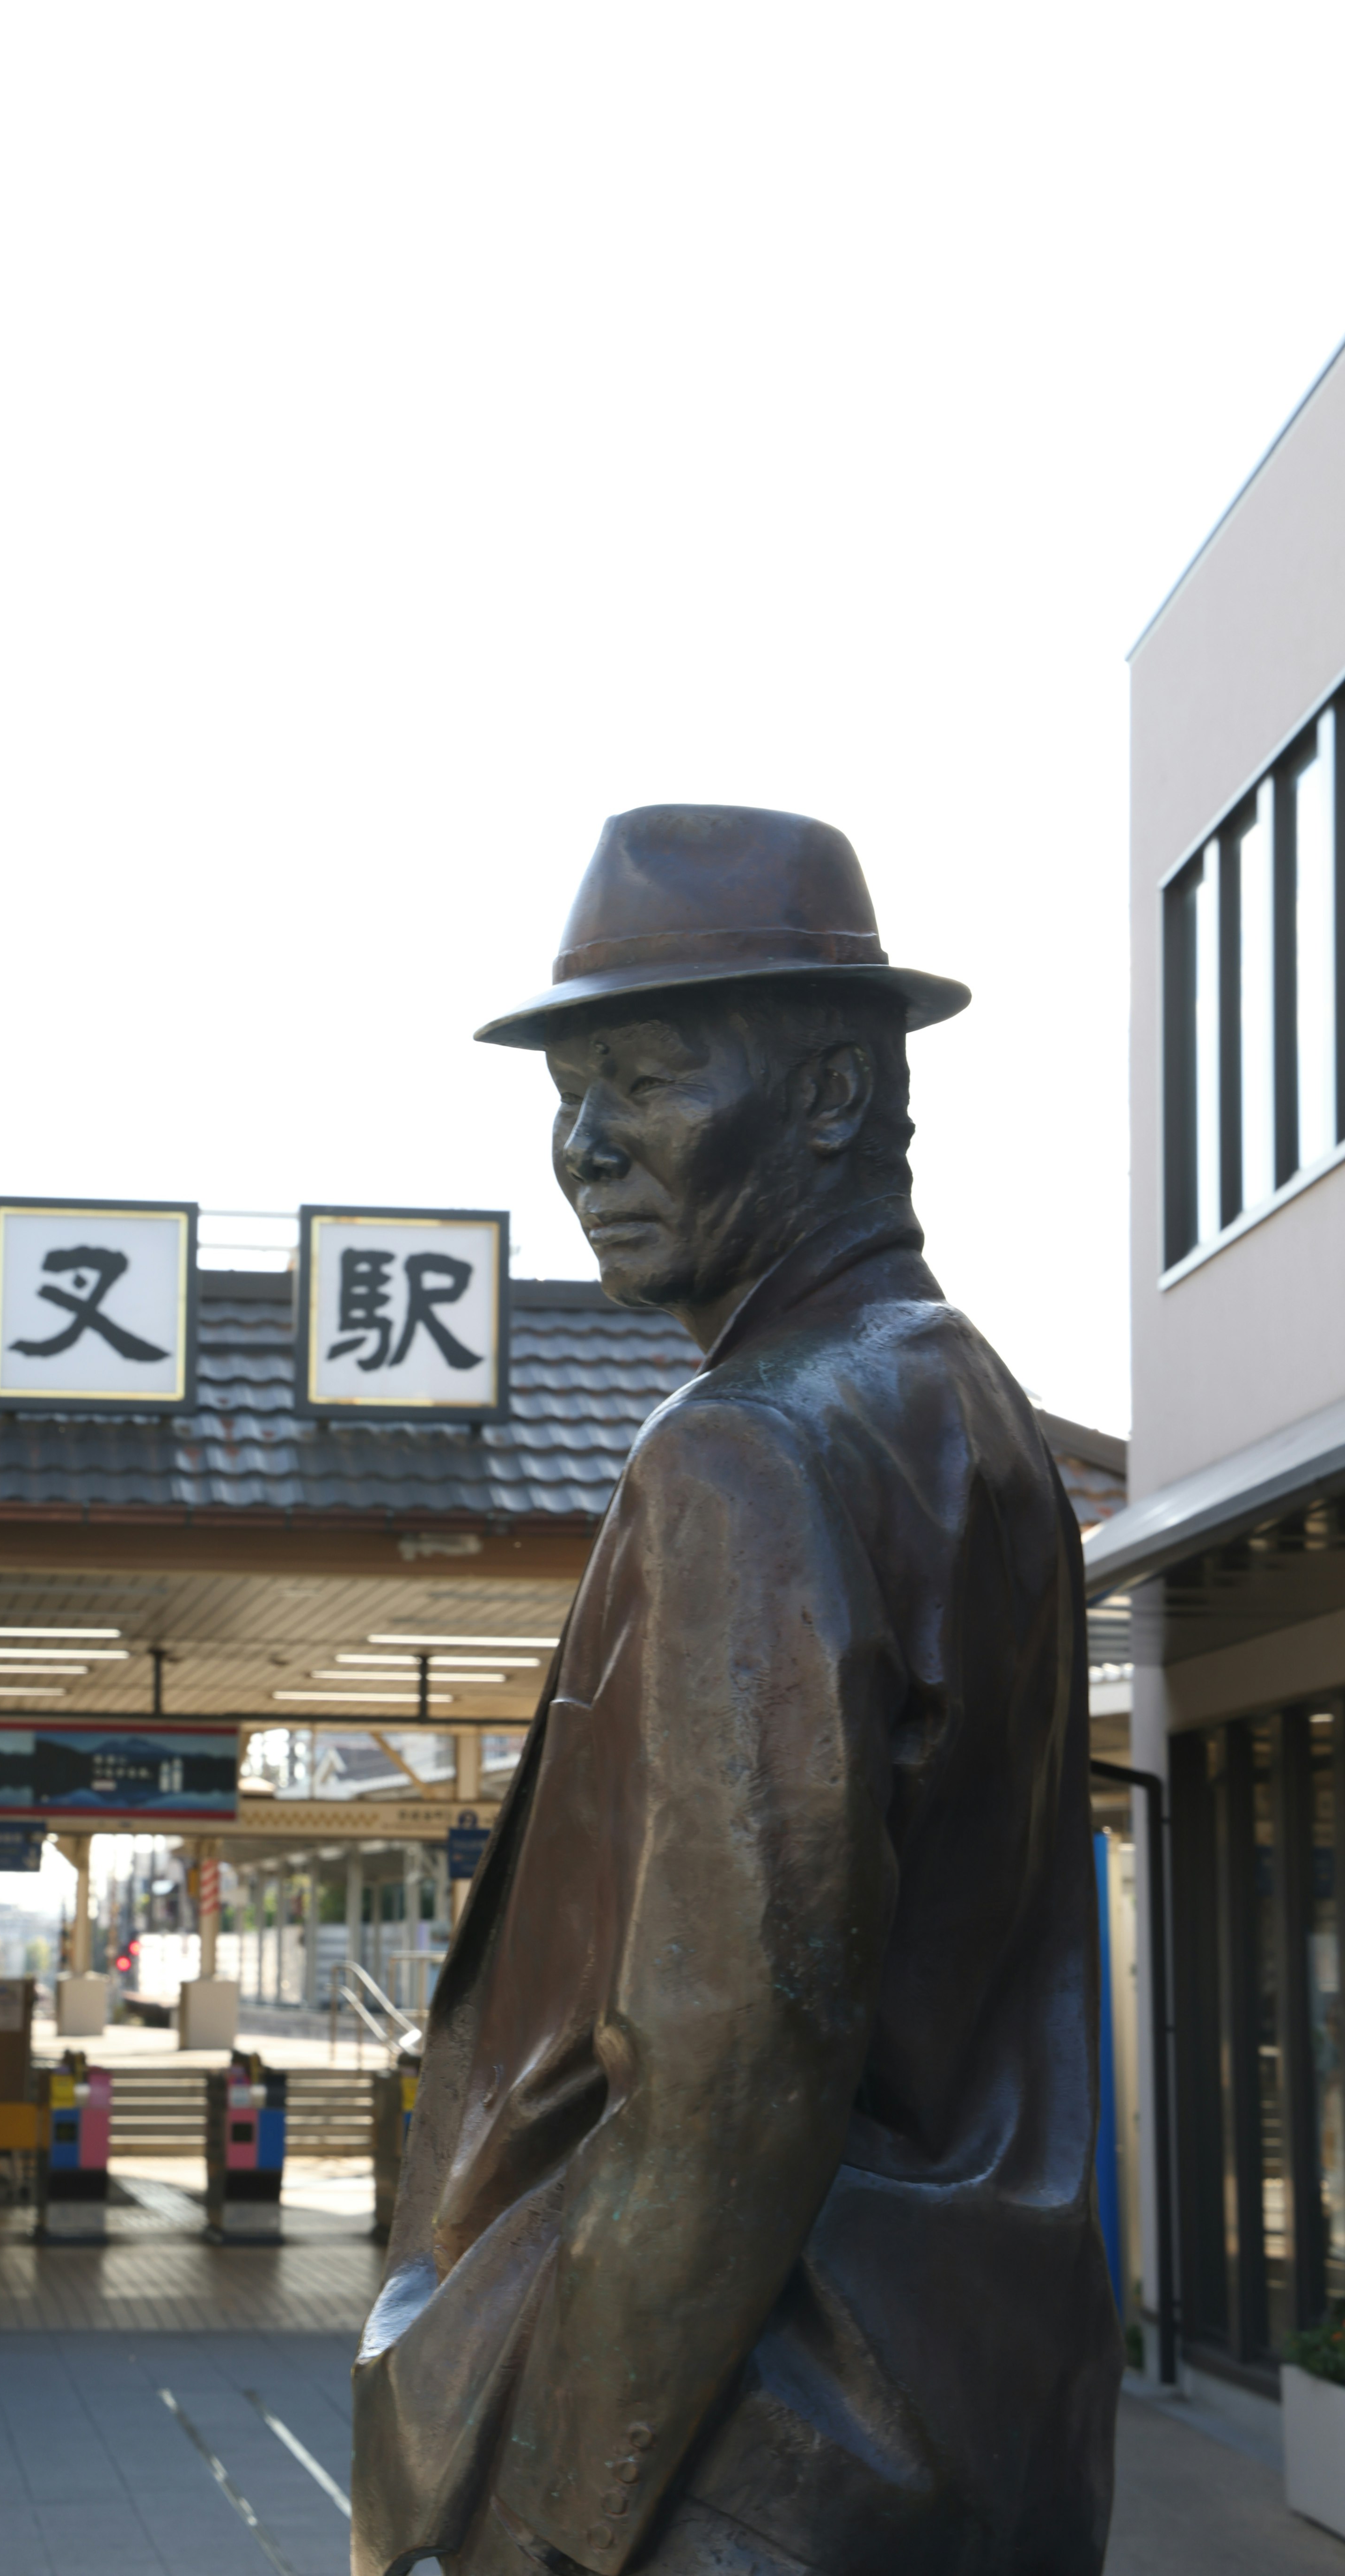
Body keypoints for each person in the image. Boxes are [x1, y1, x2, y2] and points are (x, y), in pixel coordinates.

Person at [351, 807, 1122, 2576]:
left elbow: (723, 2067)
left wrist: (556, 2513)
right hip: (969, 2435)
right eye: (564, 1087)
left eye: (641, 1073)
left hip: (740, 2461)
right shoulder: (966, 1413)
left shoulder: (749, 1448)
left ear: (840, 1091)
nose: (582, 1141)